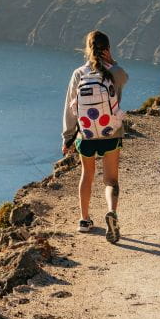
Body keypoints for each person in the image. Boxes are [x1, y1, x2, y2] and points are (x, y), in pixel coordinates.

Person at [62, 30, 129, 243]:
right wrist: (113, 62)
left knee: (87, 174)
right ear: (107, 48)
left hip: (86, 134)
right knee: (110, 179)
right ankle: (112, 212)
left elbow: (69, 108)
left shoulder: (79, 73)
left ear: (87, 48)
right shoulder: (115, 72)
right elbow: (125, 78)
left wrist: (68, 137)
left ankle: (84, 219)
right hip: (111, 133)